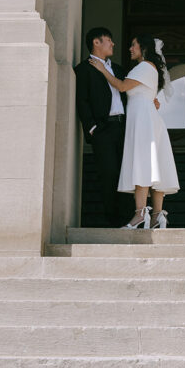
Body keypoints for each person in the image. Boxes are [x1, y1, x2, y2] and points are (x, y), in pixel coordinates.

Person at [90, 33, 179, 229]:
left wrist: (101, 70)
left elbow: (122, 87)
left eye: (133, 45)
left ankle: (140, 215)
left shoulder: (145, 67)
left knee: (143, 164)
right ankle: (156, 217)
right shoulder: (146, 68)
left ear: (144, 48)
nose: (130, 48)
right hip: (145, 117)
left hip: (143, 121)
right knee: (154, 167)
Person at [74, 27, 127, 228]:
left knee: (126, 172)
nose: (113, 44)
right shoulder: (83, 70)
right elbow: (82, 101)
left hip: (124, 128)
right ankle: (112, 221)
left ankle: (127, 219)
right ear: (96, 42)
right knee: (109, 174)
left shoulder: (120, 70)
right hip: (103, 130)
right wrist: (92, 128)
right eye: (109, 40)